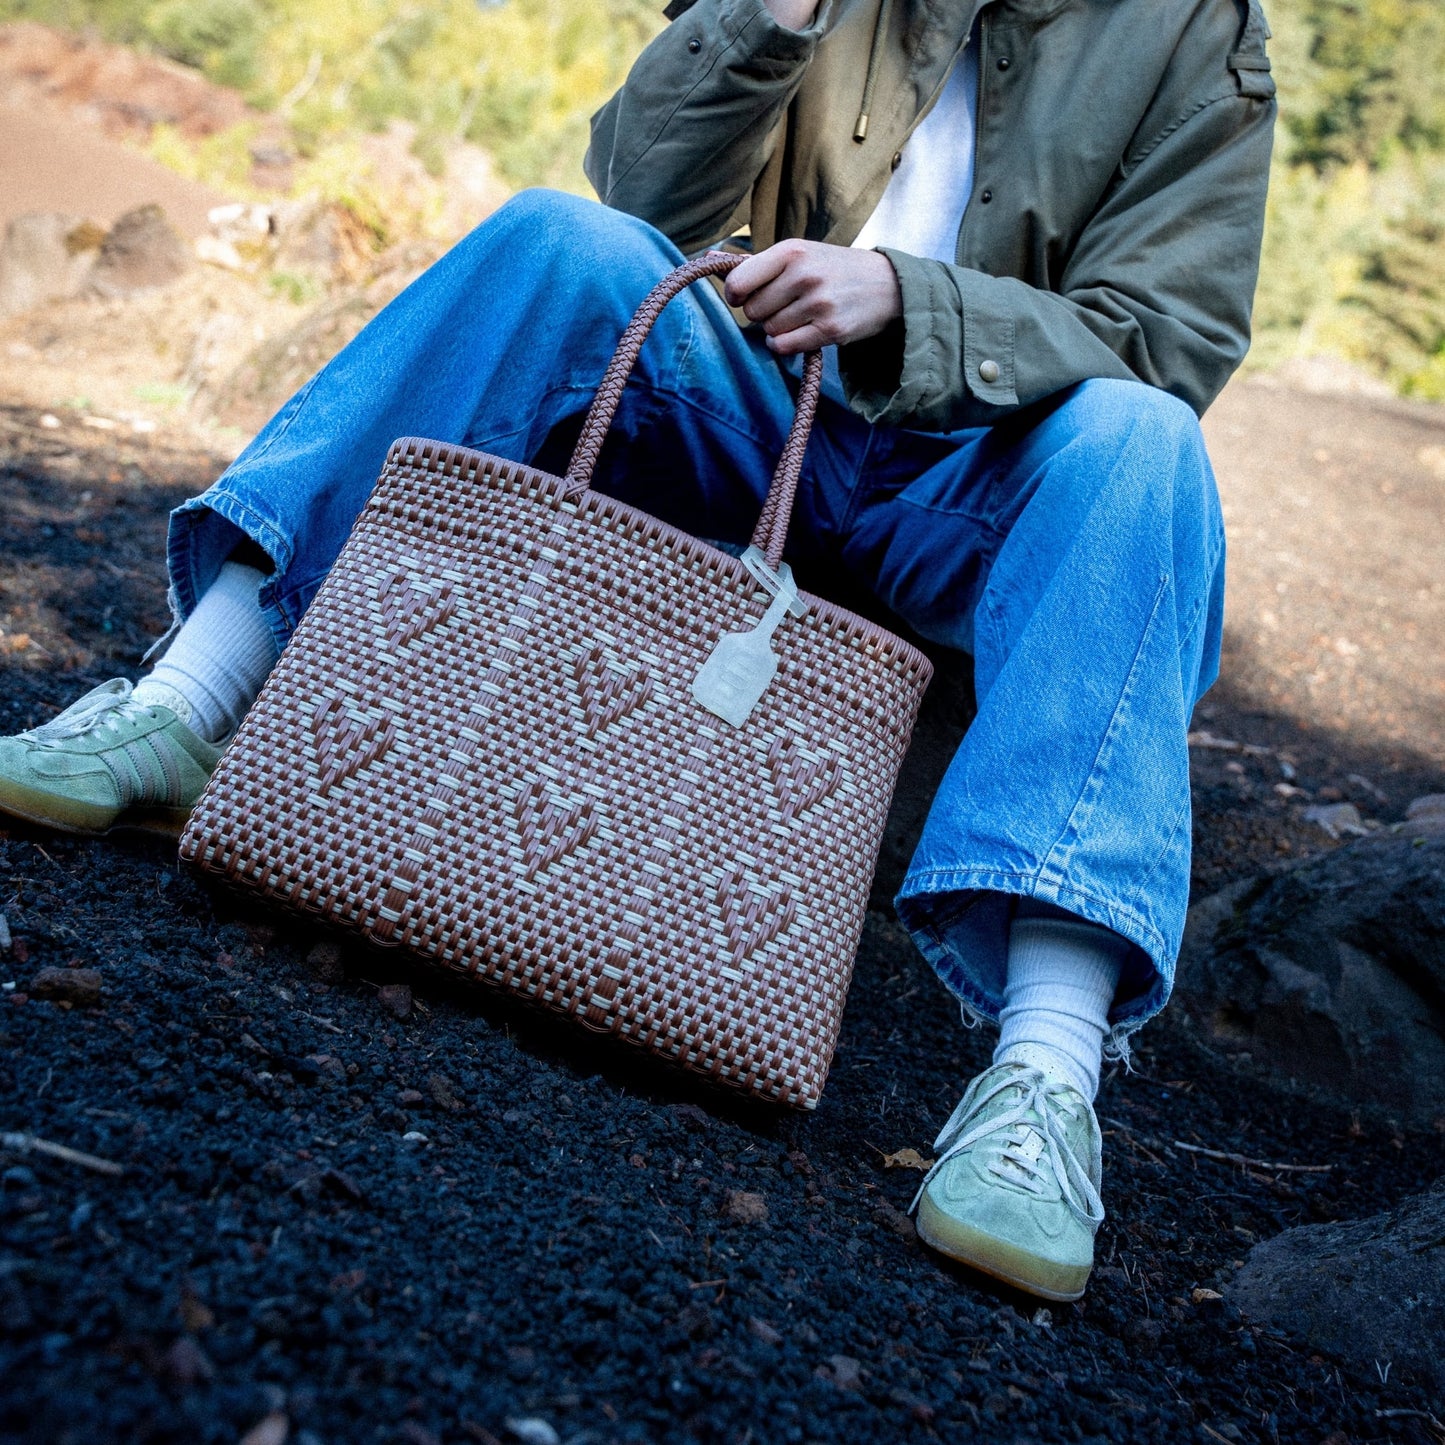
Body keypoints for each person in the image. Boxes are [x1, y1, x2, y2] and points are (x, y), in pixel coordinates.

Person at [0, 0, 1275, 1301]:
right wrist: (765, 19)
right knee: (555, 239)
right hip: (741, 396)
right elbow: (644, 196)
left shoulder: (1188, 28)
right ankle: (189, 699)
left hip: (980, 477)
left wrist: (910, 300)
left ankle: (1039, 1087)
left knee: (1145, 447)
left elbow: (1165, 340)